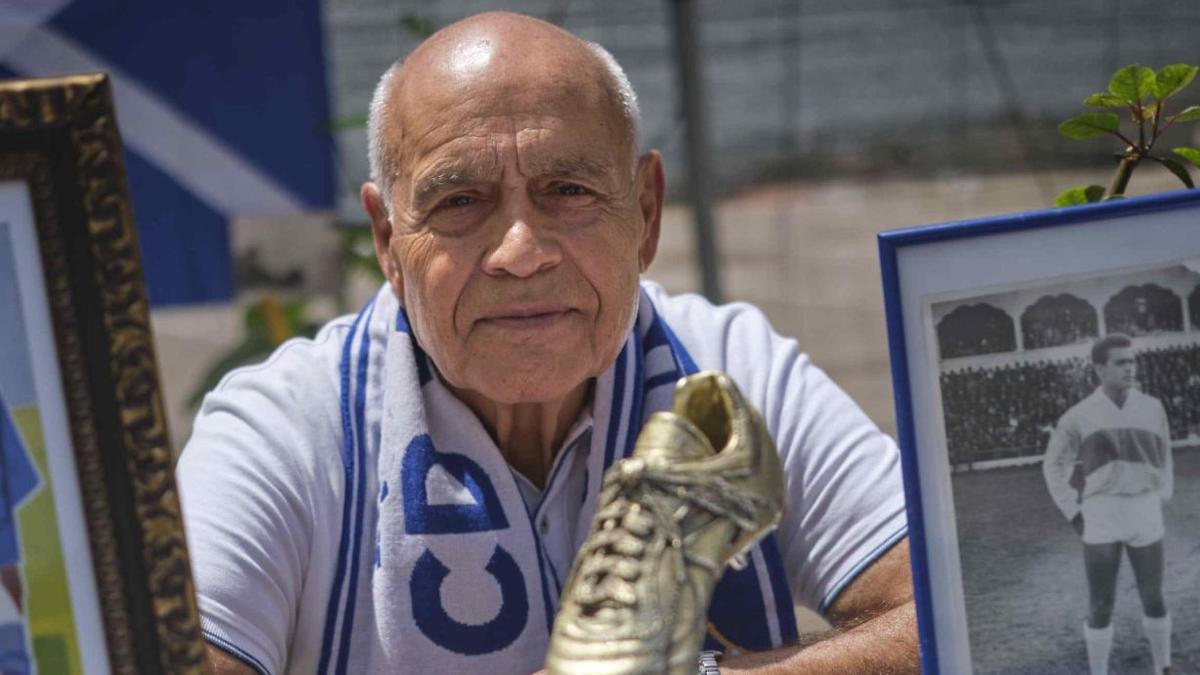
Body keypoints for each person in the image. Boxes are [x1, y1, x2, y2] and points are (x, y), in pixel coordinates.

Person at [179, 12, 917, 674]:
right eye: (460, 200)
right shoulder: (285, 428)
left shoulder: (729, 373)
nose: (520, 250)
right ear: (388, 239)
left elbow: (961, 607)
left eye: (568, 191)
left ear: (647, 213)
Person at [1043, 334, 1174, 675]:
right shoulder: (1079, 415)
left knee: (1154, 597)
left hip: (1144, 509)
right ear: (1100, 369)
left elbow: (1166, 455)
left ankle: (1164, 667)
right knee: (1101, 603)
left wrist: (1161, 494)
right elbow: (1053, 465)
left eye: (1132, 361)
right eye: (1120, 362)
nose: (1129, 368)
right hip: (1101, 512)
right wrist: (1072, 510)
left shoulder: (1151, 407)